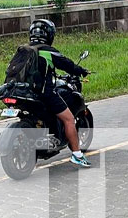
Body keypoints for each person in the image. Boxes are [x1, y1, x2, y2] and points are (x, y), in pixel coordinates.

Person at [26, 19, 91, 167]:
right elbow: (67, 65)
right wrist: (81, 71)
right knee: (68, 119)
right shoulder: (48, 51)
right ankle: (77, 155)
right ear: (49, 35)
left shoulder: (25, 50)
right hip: (44, 93)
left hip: (26, 92)